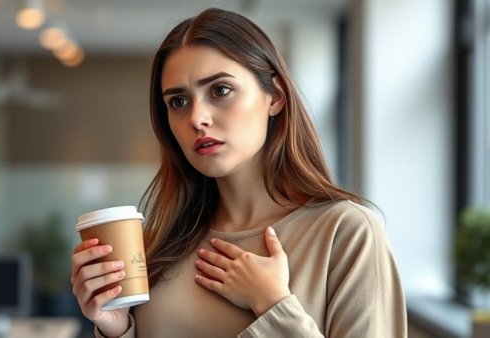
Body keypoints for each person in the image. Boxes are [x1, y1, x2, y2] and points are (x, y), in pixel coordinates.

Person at [71, 7, 407, 338]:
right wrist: (116, 329)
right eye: (178, 102)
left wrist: (274, 306)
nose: (197, 118)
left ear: (274, 96)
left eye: (220, 90)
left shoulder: (346, 233)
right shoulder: (162, 244)